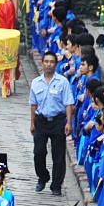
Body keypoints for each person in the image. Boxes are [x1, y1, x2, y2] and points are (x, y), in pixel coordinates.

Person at [29, 51, 75, 196]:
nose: (48, 64)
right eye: (46, 61)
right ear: (42, 63)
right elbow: (33, 104)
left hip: (57, 121)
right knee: (39, 152)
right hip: (41, 121)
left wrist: (68, 122)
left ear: (56, 64)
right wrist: (32, 123)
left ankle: (56, 185)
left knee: (58, 155)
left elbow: (68, 103)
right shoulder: (36, 82)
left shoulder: (62, 82)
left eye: (51, 62)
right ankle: (42, 176)